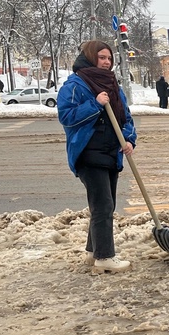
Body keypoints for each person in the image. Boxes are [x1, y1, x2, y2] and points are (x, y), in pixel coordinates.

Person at [57, 40, 136, 274]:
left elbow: (126, 117)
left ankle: (93, 252)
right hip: (88, 153)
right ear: (91, 57)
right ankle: (105, 257)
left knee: (104, 204)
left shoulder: (112, 84)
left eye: (109, 58)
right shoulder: (75, 84)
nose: (107, 62)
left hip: (111, 153)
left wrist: (129, 139)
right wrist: (95, 104)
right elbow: (67, 117)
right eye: (102, 57)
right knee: (103, 205)